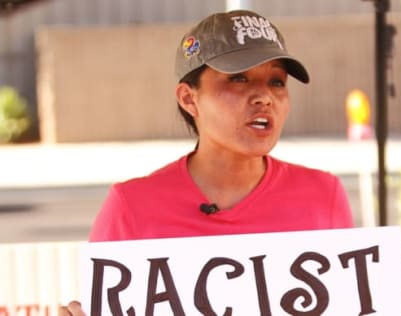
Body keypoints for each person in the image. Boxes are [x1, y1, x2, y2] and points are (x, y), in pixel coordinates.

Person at [59, 9, 354, 316]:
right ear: (189, 99)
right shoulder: (130, 208)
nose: (264, 97)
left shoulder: (324, 196)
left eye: (277, 81)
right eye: (238, 78)